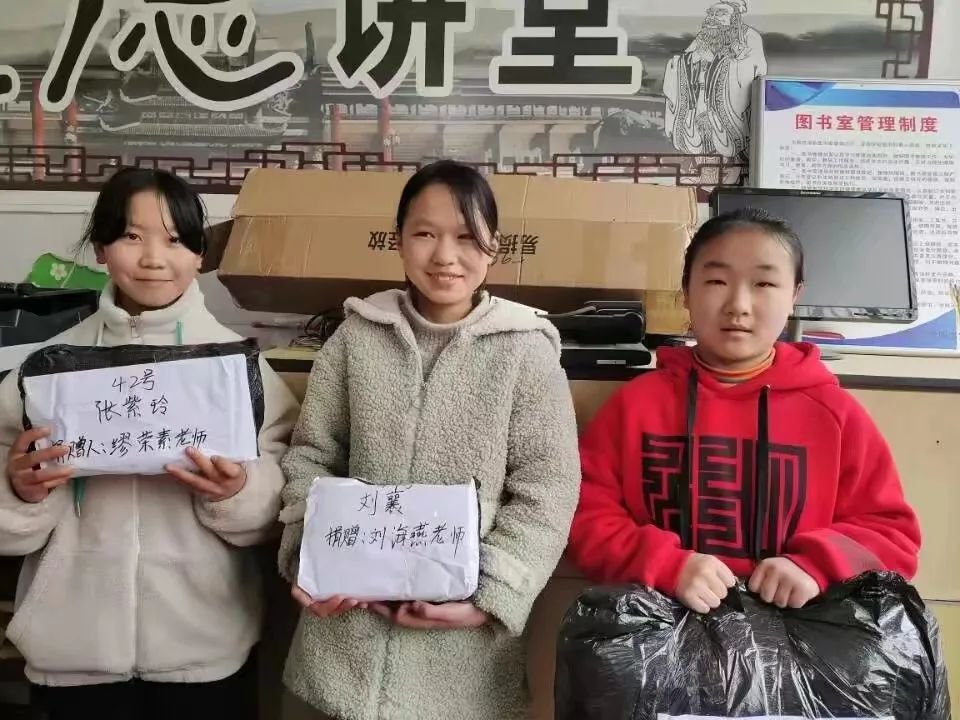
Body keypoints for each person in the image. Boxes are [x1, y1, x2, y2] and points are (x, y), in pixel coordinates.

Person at [278, 160, 580, 720]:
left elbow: (549, 489)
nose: (445, 255)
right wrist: (308, 557)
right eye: (425, 233)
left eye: (466, 237)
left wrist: (492, 596)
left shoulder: (526, 351)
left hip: (462, 668)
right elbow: (312, 454)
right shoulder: (355, 337)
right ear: (397, 241)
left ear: (494, 246)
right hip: (341, 651)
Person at [0, 168, 299, 719]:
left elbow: (286, 485)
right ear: (100, 248)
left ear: (200, 256)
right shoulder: (45, 368)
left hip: (205, 648)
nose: (154, 258)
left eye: (176, 240)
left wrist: (238, 490)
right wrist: (20, 490)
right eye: (131, 237)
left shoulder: (236, 366)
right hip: (73, 650)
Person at [567, 208, 920, 614]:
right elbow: (583, 516)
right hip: (656, 630)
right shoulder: (635, 405)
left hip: (799, 636)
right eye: (716, 281)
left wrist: (815, 566)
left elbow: (893, 534)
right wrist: (665, 564)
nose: (738, 305)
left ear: (794, 295)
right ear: (686, 291)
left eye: (764, 283)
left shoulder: (834, 414)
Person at [662, 0, 766, 158]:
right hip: (698, 98)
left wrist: (717, 60)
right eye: (711, 13)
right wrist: (688, 60)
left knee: (726, 147)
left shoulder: (749, 36)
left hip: (726, 102)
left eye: (720, 13)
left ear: (735, 17)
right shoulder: (703, 36)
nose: (712, 17)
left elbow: (754, 69)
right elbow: (687, 58)